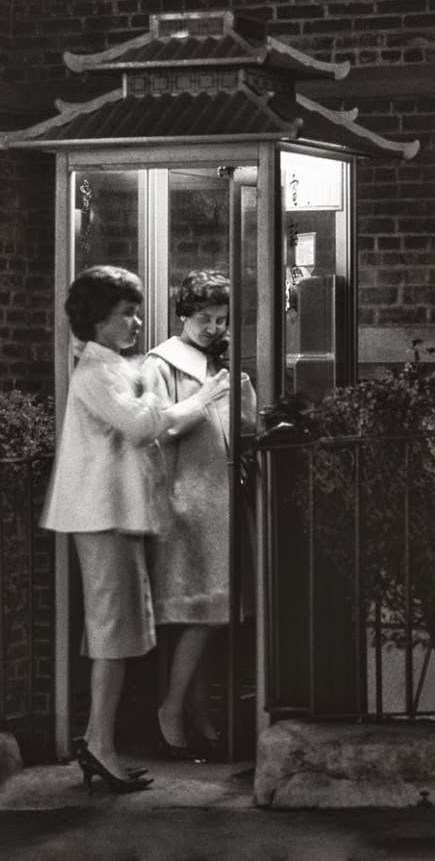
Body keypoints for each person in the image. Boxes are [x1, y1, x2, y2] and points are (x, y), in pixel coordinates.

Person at [40, 265, 229, 794]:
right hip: (102, 516)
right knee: (112, 636)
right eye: (126, 314)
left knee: (118, 635)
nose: (137, 323)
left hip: (115, 517)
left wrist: (174, 397)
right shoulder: (97, 373)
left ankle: (99, 742)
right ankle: (98, 744)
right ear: (99, 319)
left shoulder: (110, 367)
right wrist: (184, 395)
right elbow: (145, 424)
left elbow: (151, 420)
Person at [142, 270, 257, 759]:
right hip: (186, 499)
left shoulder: (218, 363)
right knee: (205, 612)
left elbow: (243, 429)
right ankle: (171, 710)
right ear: (184, 315)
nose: (213, 328)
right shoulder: (161, 362)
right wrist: (203, 399)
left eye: (221, 320)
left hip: (219, 498)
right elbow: (152, 428)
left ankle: (198, 717)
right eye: (204, 318)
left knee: (211, 610)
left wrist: (241, 396)